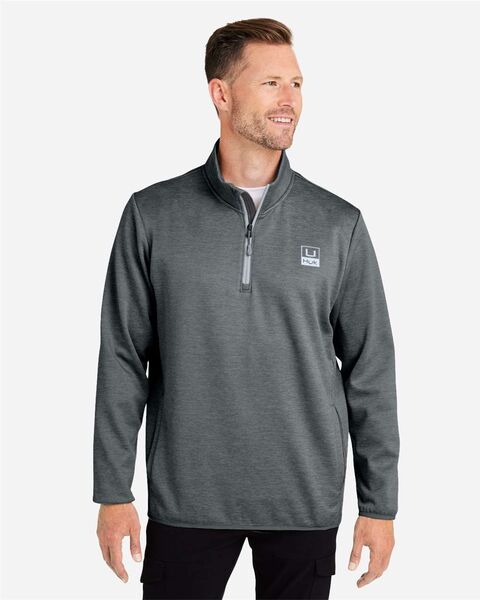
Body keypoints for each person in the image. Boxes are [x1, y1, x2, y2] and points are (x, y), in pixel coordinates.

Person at [93, 17, 400, 599]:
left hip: (303, 499)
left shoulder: (338, 224)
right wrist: (112, 492)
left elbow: (371, 370)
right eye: (271, 83)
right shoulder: (152, 215)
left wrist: (378, 504)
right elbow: (123, 360)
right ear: (221, 93)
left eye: (297, 84)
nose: (290, 100)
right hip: (187, 496)